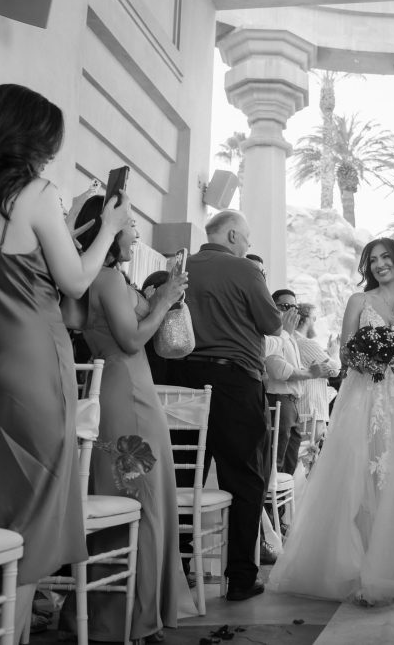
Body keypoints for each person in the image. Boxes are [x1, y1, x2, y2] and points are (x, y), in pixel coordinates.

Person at [0, 83, 131, 641]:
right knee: (32, 513)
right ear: (26, 138)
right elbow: (73, 280)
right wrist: (111, 230)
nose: (49, 154)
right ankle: (7, 636)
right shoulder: (39, 192)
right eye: (47, 142)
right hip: (32, 369)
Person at [268, 238, 394, 604]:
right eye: (373, 260)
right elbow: (345, 352)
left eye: (385, 258)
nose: (379, 265)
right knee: (364, 473)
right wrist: (369, 355)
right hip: (366, 396)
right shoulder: (359, 301)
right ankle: (360, 564)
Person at [68, 196, 194, 641]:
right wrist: (161, 301)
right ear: (109, 230)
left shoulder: (112, 277)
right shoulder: (102, 278)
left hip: (134, 394)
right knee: (139, 502)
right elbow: (130, 338)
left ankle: (121, 613)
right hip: (128, 398)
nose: (137, 232)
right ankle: (130, 619)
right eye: (131, 225)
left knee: (145, 501)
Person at [165, 209, 281, 602]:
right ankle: (241, 578)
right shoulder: (245, 270)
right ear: (232, 236)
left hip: (181, 379)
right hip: (234, 382)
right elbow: (271, 323)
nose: (248, 246)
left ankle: (179, 572)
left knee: (182, 477)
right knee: (245, 478)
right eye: (246, 239)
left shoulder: (179, 266)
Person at [264, 289, 330, 476]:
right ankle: (270, 505)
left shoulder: (290, 337)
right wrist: (310, 373)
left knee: (290, 462)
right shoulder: (272, 335)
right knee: (276, 461)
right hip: (277, 401)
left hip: (292, 403)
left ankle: (282, 505)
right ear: (272, 307)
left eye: (294, 307)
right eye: (285, 306)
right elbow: (279, 370)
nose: (291, 311)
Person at [293, 303, 341, 445]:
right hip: (310, 411)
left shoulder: (293, 341)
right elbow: (334, 370)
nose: (316, 322)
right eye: (314, 318)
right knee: (308, 457)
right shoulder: (305, 343)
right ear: (306, 319)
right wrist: (334, 352)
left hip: (302, 411)